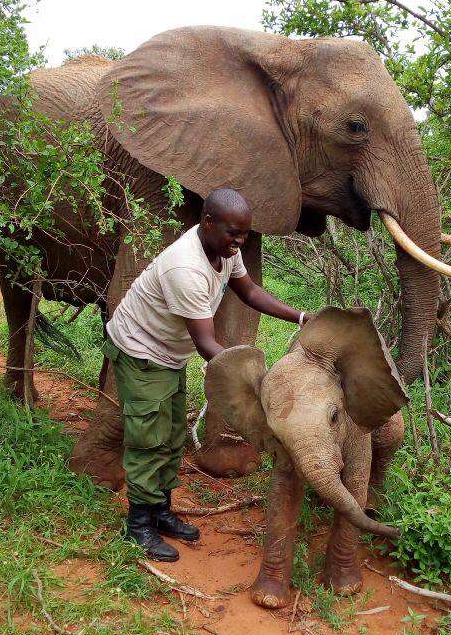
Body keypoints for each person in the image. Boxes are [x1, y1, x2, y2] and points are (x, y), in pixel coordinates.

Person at [104, 187, 312, 561]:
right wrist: (257, 385)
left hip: (169, 353)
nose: (239, 242)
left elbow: (248, 292)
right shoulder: (186, 268)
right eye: (233, 233)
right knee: (148, 439)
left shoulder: (224, 249)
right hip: (141, 352)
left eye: (245, 234)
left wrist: (300, 317)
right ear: (208, 222)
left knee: (170, 435)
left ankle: (161, 512)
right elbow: (206, 343)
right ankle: (138, 527)